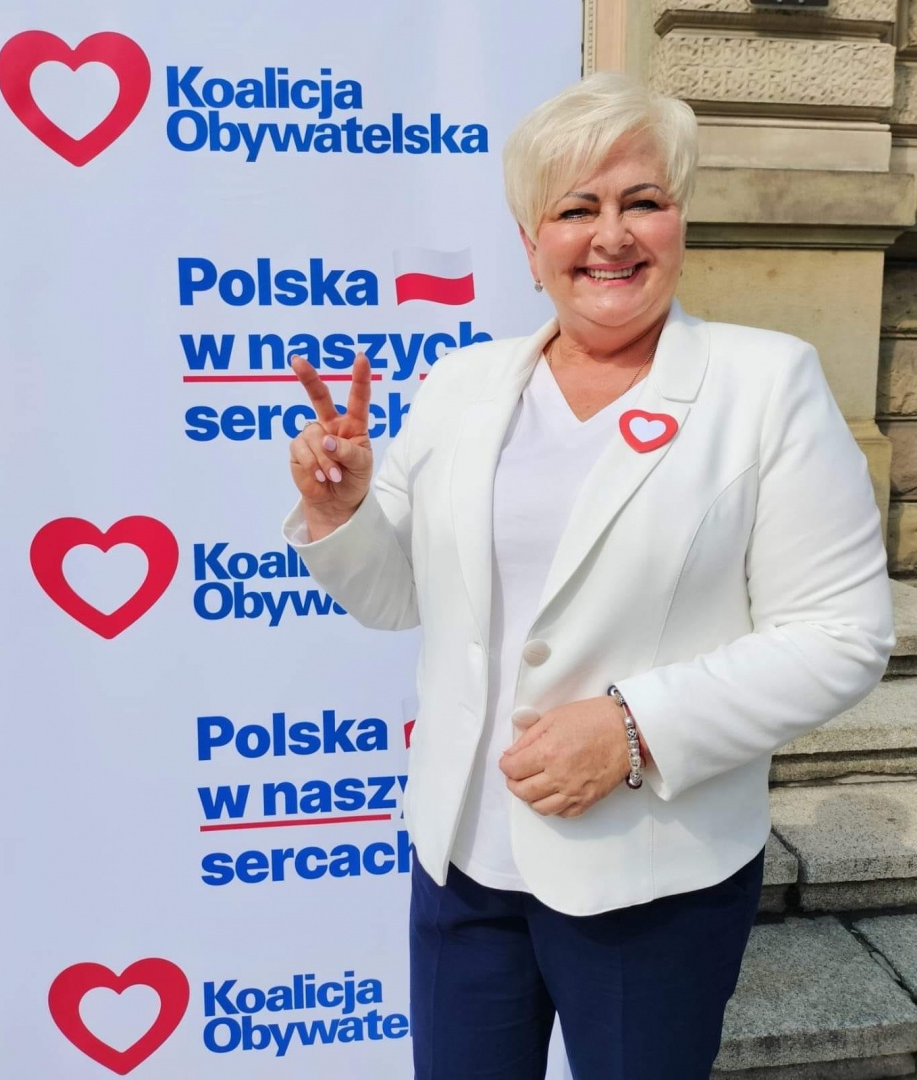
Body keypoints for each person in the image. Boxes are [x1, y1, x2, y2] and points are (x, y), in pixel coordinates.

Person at [282, 72, 894, 1080]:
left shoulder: (765, 383)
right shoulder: (460, 384)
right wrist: (341, 513)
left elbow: (841, 635)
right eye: (575, 209)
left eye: (641, 201)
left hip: (651, 882)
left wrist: (632, 726)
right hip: (461, 867)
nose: (610, 235)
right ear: (531, 246)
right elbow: (395, 600)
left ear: (679, 223)